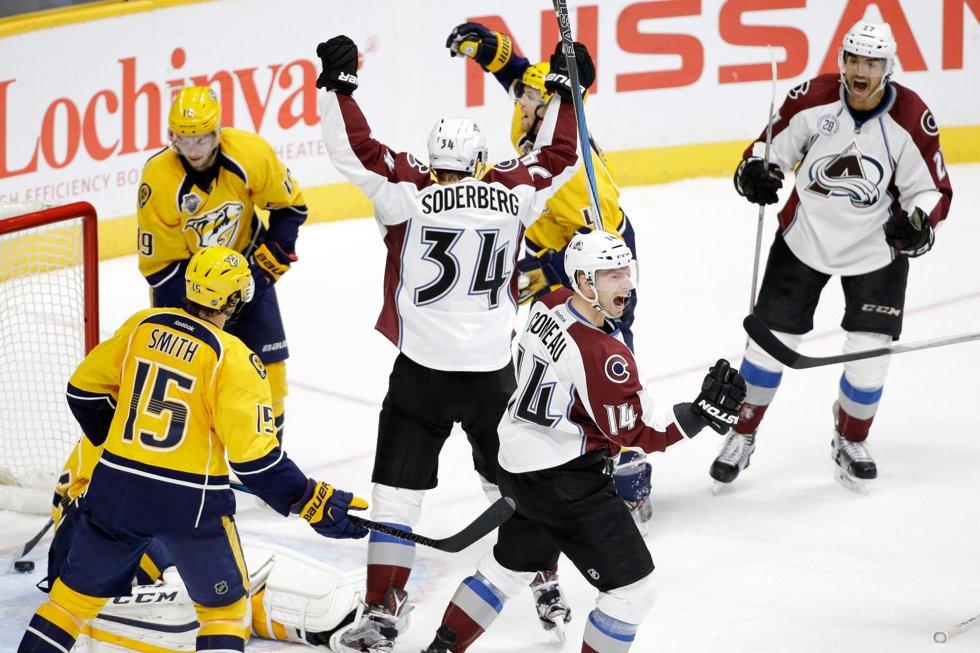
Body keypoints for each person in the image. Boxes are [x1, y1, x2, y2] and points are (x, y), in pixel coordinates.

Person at [315, 33, 590, 652]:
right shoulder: (513, 192)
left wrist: (338, 87)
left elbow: (353, 151)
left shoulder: (407, 193)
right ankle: (545, 579)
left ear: (434, 159)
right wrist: (571, 95)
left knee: (395, 494)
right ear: (481, 161)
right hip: (494, 373)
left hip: (421, 375)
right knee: (515, 483)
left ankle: (384, 607)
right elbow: (564, 155)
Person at [18, 246, 368, 653]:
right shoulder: (234, 358)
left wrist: (120, 445)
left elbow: (82, 390)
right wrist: (310, 499)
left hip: (115, 491)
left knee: (67, 604)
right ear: (233, 300)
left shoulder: (143, 325)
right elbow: (255, 460)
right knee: (224, 611)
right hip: (189, 503)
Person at [421, 230, 746, 653]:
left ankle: (442, 647)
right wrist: (701, 414)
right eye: (612, 276)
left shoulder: (548, 303)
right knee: (632, 591)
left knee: (508, 569)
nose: (627, 284)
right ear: (585, 282)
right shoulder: (602, 355)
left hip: (518, 463)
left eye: (626, 272)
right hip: (566, 482)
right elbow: (637, 433)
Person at [445, 20, 653, 596]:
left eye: (533, 96)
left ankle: (627, 461)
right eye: (526, 94)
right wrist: (492, 52)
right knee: (546, 348)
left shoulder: (570, 174)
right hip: (558, 240)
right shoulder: (544, 110)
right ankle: (566, 437)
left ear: (548, 106)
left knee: (605, 352)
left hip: (593, 249)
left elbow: (593, 242)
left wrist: (548, 269)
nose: (522, 98)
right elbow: (530, 77)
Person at [709, 19, 953, 493]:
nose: (861, 70)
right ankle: (743, 433)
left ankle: (851, 437)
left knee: (869, 356)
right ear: (842, 61)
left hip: (875, 251)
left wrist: (919, 222)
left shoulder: (911, 117)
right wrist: (755, 173)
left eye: (872, 62)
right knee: (768, 347)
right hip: (804, 242)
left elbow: (931, 189)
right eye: (854, 59)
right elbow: (767, 150)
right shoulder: (810, 98)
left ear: (888, 67)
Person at [137, 86, 308, 445]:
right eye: (184, 140)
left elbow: (290, 208)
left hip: (243, 270)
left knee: (269, 366)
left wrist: (263, 271)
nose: (193, 150)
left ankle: (268, 449)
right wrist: (200, 304)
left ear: (217, 133)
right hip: (186, 287)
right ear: (172, 137)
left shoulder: (250, 153)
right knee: (187, 371)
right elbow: (159, 265)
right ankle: (189, 448)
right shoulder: (158, 177)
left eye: (201, 139)